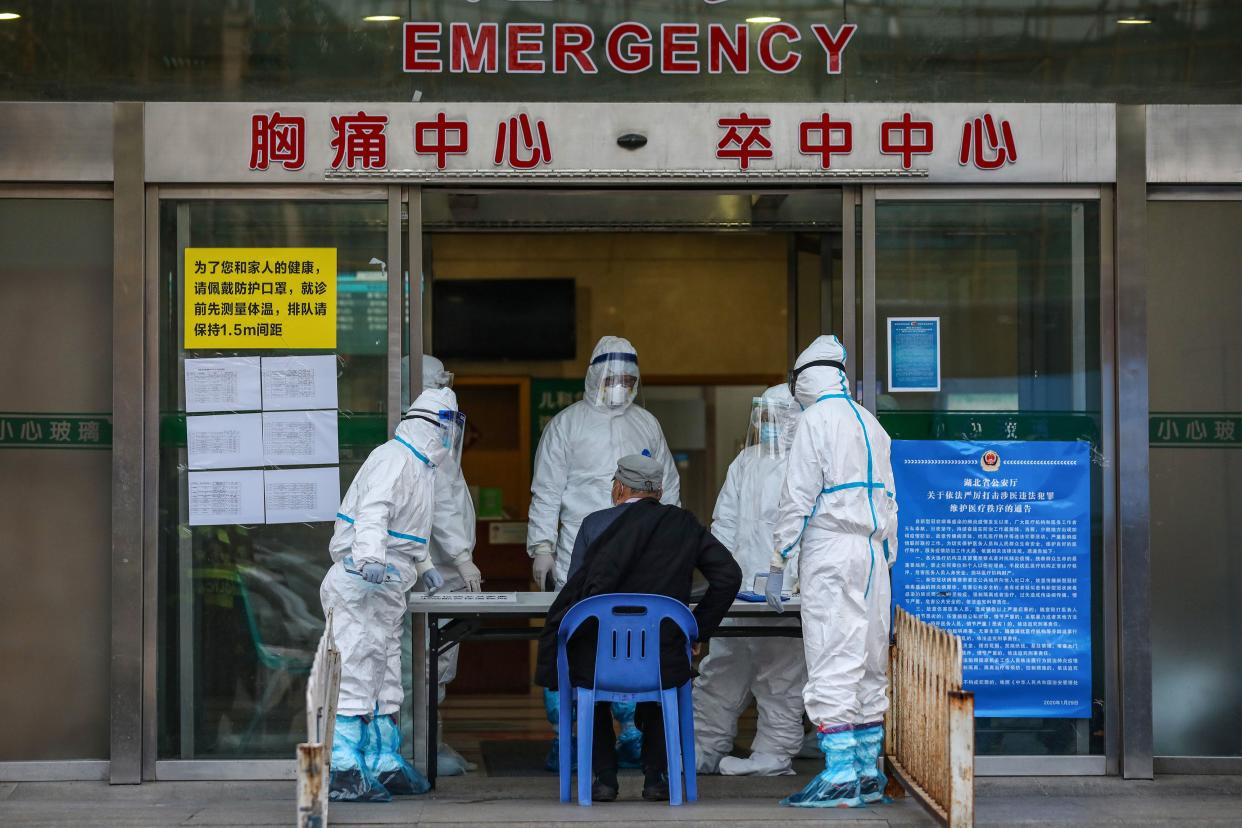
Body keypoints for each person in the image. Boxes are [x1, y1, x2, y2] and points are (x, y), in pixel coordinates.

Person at [536, 455, 742, 802]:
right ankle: (655, 777)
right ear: (659, 492)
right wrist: (696, 630)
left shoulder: (594, 525)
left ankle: (603, 778)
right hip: (661, 660)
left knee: (585, 667)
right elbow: (729, 577)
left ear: (618, 488)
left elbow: (576, 590)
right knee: (663, 674)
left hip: (600, 663)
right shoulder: (684, 525)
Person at [527, 335, 681, 770]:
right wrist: (541, 547)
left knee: (633, 641)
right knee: (572, 643)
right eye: (612, 377)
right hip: (579, 551)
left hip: (640, 555)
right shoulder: (567, 424)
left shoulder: (647, 424)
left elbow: (668, 486)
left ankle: (632, 732)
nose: (621, 385)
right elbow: (546, 490)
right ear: (594, 375)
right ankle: (568, 735)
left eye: (629, 378)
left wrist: (670, 541)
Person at [767, 335, 899, 808]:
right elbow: (890, 498)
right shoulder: (871, 422)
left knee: (831, 652)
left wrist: (779, 559)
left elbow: (797, 497)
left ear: (805, 379)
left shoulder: (814, 420)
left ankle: (840, 772)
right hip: (873, 552)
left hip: (832, 550)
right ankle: (867, 772)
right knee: (868, 659)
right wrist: (886, 556)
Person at [320, 387, 464, 802]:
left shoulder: (421, 469)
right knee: (358, 667)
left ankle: (385, 760)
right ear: (434, 426)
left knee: (385, 674)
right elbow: (374, 510)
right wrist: (368, 556)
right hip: (360, 581)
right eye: (447, 428)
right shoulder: (393, 458)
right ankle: (344, 767)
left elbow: (412, 531)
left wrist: (425, 567)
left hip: (389, 586)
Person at [693, 384, 808, 777]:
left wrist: (799, 583)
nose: (768, 425)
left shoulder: (807, 465)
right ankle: (701, 749)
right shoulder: (746, 461)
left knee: (782, 676)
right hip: (739, 594)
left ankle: (774, 754)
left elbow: (809, 532)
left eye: (777, 417)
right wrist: (720, 576)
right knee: (721, 671)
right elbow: (724, 523)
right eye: (765, 417)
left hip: (784, 595)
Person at [418, 355, 481, 777]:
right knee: (428, 669)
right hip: (436, 576)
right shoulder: (424, 447)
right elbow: (440, 506)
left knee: (437, 669)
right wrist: (462, 557)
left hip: (445, 577)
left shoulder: (438, 444)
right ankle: (424, 749)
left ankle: (430, 745)